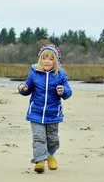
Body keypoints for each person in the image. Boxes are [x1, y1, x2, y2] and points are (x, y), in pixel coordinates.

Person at [18, 44, 73, 173]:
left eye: (50, 59)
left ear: (56, 61)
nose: (47, 61)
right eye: (44, 58)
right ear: (40, 60)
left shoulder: (60, 75)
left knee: (52, 138)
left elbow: (68, 92)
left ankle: (51, 155)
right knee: (39, 137)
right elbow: (28, 87)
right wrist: (23, 88)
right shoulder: (34, 73)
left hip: (53, 113)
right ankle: (39, 161)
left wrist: (63, 91)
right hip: (36, 113)